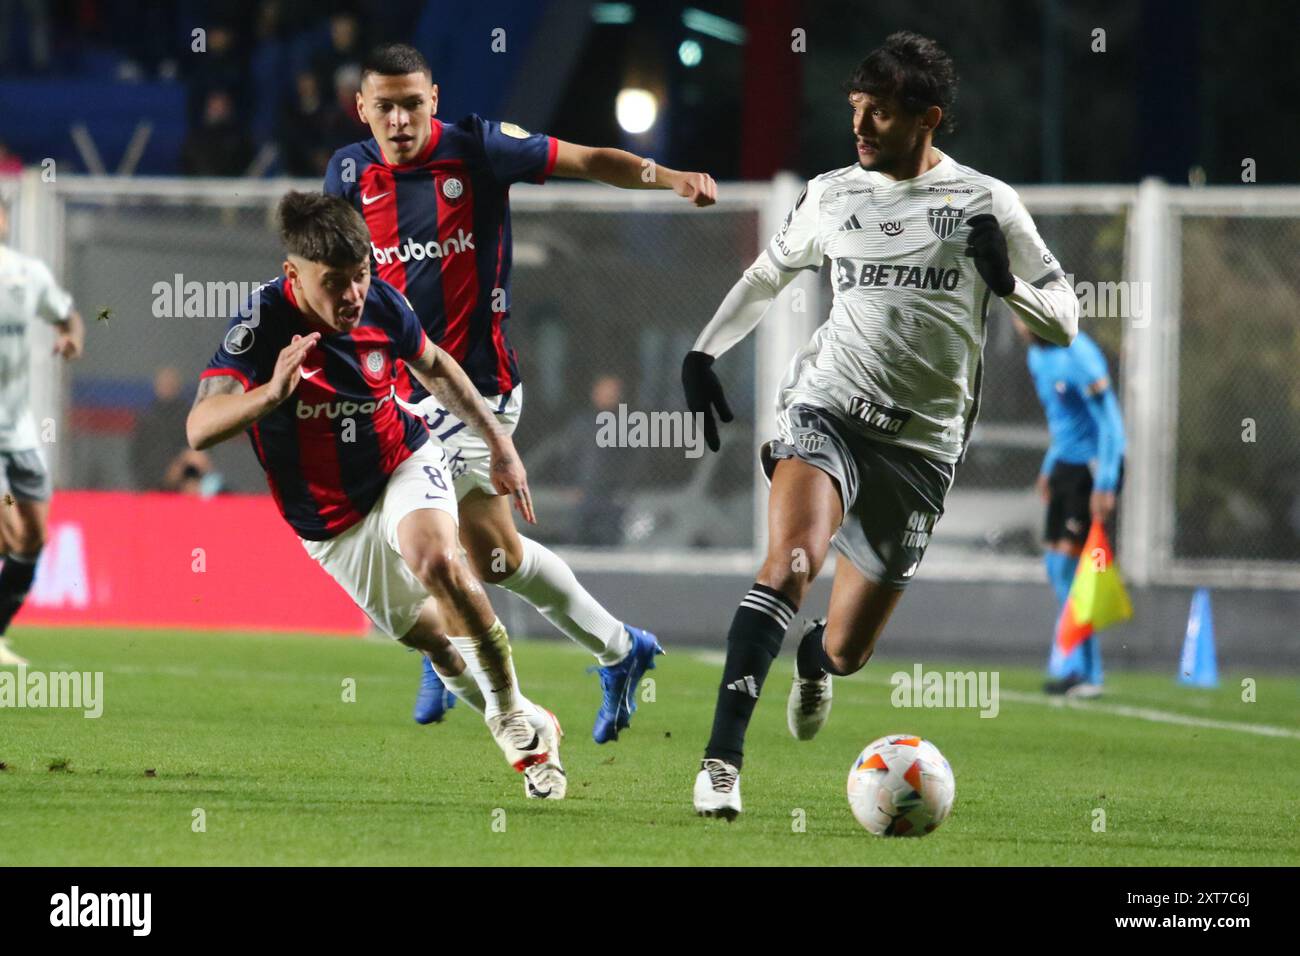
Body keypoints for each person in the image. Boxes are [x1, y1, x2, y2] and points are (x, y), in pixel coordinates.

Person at [682, 33, 1079, 818]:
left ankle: (813, 659)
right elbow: (770, 274)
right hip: (827, 409)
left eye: (880, 115)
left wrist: (1008, 285)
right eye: (856, 110)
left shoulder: (987, 203)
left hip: (923, 446)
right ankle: (721, 763)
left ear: (928, 119)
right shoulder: (833, 194)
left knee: (847, 648)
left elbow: (1064, 317)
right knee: (790, 563)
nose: (860, 128)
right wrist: (703, 351)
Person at [324, 43, 718, 740]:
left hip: (478, 391)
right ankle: (622, 648)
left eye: (412, 104)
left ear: (434, 100)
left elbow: (591, 159)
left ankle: (449, 642)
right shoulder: (349, 173)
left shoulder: (479, 147)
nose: (399, 119)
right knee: (498, 559)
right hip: (400, 391)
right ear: (362, 109)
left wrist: (671, 176)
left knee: (404, 521)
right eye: (383, 106)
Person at [188, 190, 566, 799]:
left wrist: (499, 443)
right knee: (435, 641)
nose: (352, 295)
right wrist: (270, 394)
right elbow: (199, 428)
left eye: (360, 276)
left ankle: (512, 726)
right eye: (334, 282)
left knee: (439, 560)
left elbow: (435, 366)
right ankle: (521, 710)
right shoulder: (260, 324)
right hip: (329, 524)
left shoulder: (383, 304)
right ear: (295, 276)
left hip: (401, 463)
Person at [1015, 317, 1125, 698]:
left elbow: (1110, 423)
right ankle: (1078, 667)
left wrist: (1107, 481)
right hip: (1065, 465)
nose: (1018, 322)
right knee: (1057, 567)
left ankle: (1086, 672)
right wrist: (1050, 467)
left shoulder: (1080, 356)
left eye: (1023, 313)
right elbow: (1063, 422)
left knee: (1072, 568)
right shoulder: (1037, 357)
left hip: (1092, 468)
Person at [0, 200, 85, 666]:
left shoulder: (26, 274)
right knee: (8, 532)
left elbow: (67, 314)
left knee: (32, 538)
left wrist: (72, 337)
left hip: (20, 427)